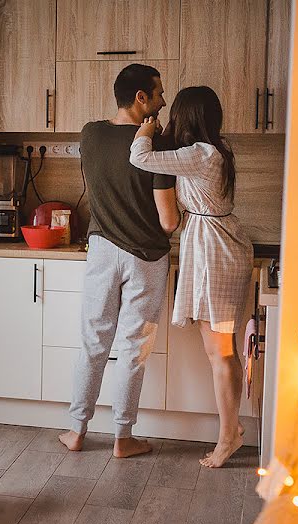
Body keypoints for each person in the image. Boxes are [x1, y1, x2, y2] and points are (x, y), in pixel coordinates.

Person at [59, 64, 180, 458]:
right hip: (145, 258)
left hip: (101, 253)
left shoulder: (90, 134)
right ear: (141, 98)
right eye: (159, 93)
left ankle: (76, 431)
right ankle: (122, 438)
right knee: (133, 348)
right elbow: (168, 221)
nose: (163, 101)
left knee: (92, 342)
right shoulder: (157, 145)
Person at [129, 85, 253, 468]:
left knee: (220, 353)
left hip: (214, 252)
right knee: (223, 350)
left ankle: (228, 437)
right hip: (217, 247)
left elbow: (139, 157)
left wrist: (148, 127)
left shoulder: (200, 155)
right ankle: (231, 431)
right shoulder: (213, 152)